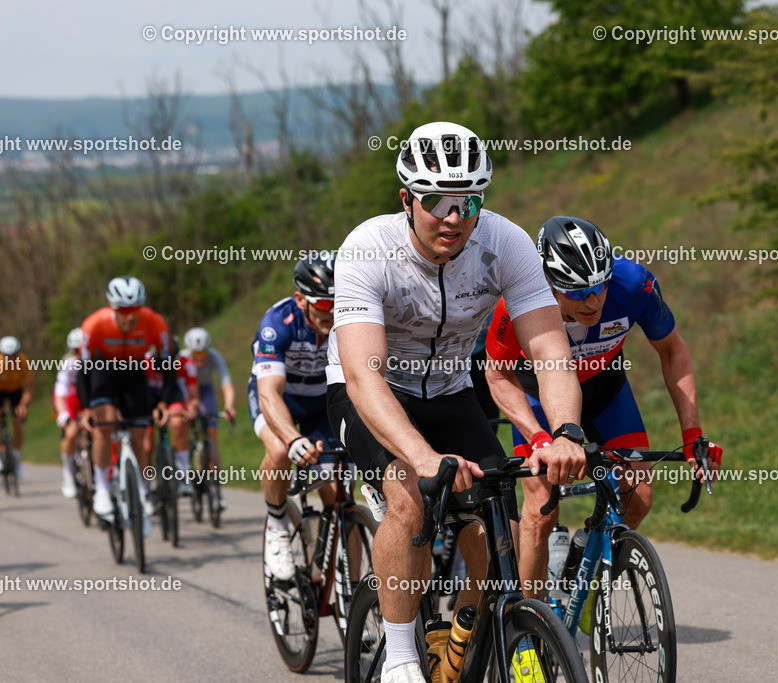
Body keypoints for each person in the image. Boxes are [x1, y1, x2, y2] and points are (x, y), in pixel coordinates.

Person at [325, 121, 587, 683]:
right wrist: (422, 458)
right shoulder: (369, 248)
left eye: (468, 201)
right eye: (436, 201)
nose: (453, 216)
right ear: (406, 200)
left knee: (498, 531)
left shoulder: (506, 244)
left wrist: (565, 431)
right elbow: (364, 378)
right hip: (370, 392)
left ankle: (462, 641)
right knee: (408, 500)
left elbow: (551, 353)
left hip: (449, 389)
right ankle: (400, 658)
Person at [485, 215, 722, 600]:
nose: (593, 301)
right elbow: (498, 376)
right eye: (578, 293)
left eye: (599, 287)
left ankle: (587, 582)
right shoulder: (517, 301)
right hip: (538, 396)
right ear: (549, 284)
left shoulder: (634, 283)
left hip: (604, 391)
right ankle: (529, 623)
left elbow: (673, 350)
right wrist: (539, 438)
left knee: (639, 497)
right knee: (541, 512)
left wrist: (692, 433)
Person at [252, 253, 341, 581]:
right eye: (324, 304)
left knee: (337, 487)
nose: (332, 312)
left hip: (322, 401)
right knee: (278, 452)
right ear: (301, 299)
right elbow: (268, 393)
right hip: (281, 399)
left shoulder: (350, 318)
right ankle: (277, 523)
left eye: (339, 302)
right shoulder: (278, 323)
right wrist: (292, 439)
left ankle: (348, 583)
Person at [79, 276, 175, 526]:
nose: (130, 316)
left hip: (134, 372)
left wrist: (164, 402)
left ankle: (142, 490)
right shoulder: (94, 324)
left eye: (135, 309)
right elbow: (83, 369)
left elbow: (168, 364)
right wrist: (86, 408)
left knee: (140, 436)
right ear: (112, 307)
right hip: (103, 371)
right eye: (123, 310)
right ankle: (101, 488)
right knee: (105, 424)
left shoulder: (154, 322)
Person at [180, 327, 237, 488]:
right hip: (186, 390)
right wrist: (187, 405)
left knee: (211, 434)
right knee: (184, 426)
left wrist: (229, 406)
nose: (199, 357)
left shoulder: (215, 356)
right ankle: (185, 464)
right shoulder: (182, 357)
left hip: (206, 390)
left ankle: (215, 483)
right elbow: (179, 385)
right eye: (195, 354)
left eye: (203, 353)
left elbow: (226, 383)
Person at [142, 339, 199, 496]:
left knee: (179, 422)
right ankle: (144, 484)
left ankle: (183, 475)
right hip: (147, 398)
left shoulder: (185, 363)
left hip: (171, 395)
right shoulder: (143, 362)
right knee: (146, 444)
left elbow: (192, 394)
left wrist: (191, 407)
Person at [0, 335, 34, 478]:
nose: (10, 359)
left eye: (14, 355)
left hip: (16, 391)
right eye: (7, 356)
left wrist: (23, 405)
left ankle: (16, 458)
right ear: (1, 354)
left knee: (18, 422)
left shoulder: (23, 361)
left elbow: (30, 387)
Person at [54, 328, 83, 498]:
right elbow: (60, 394)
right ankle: (68, 473)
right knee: (71, 433)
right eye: (75, 350)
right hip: (68, 399)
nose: (78, 353)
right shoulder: (68, 364)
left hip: (85, 398)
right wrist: (63, 413)